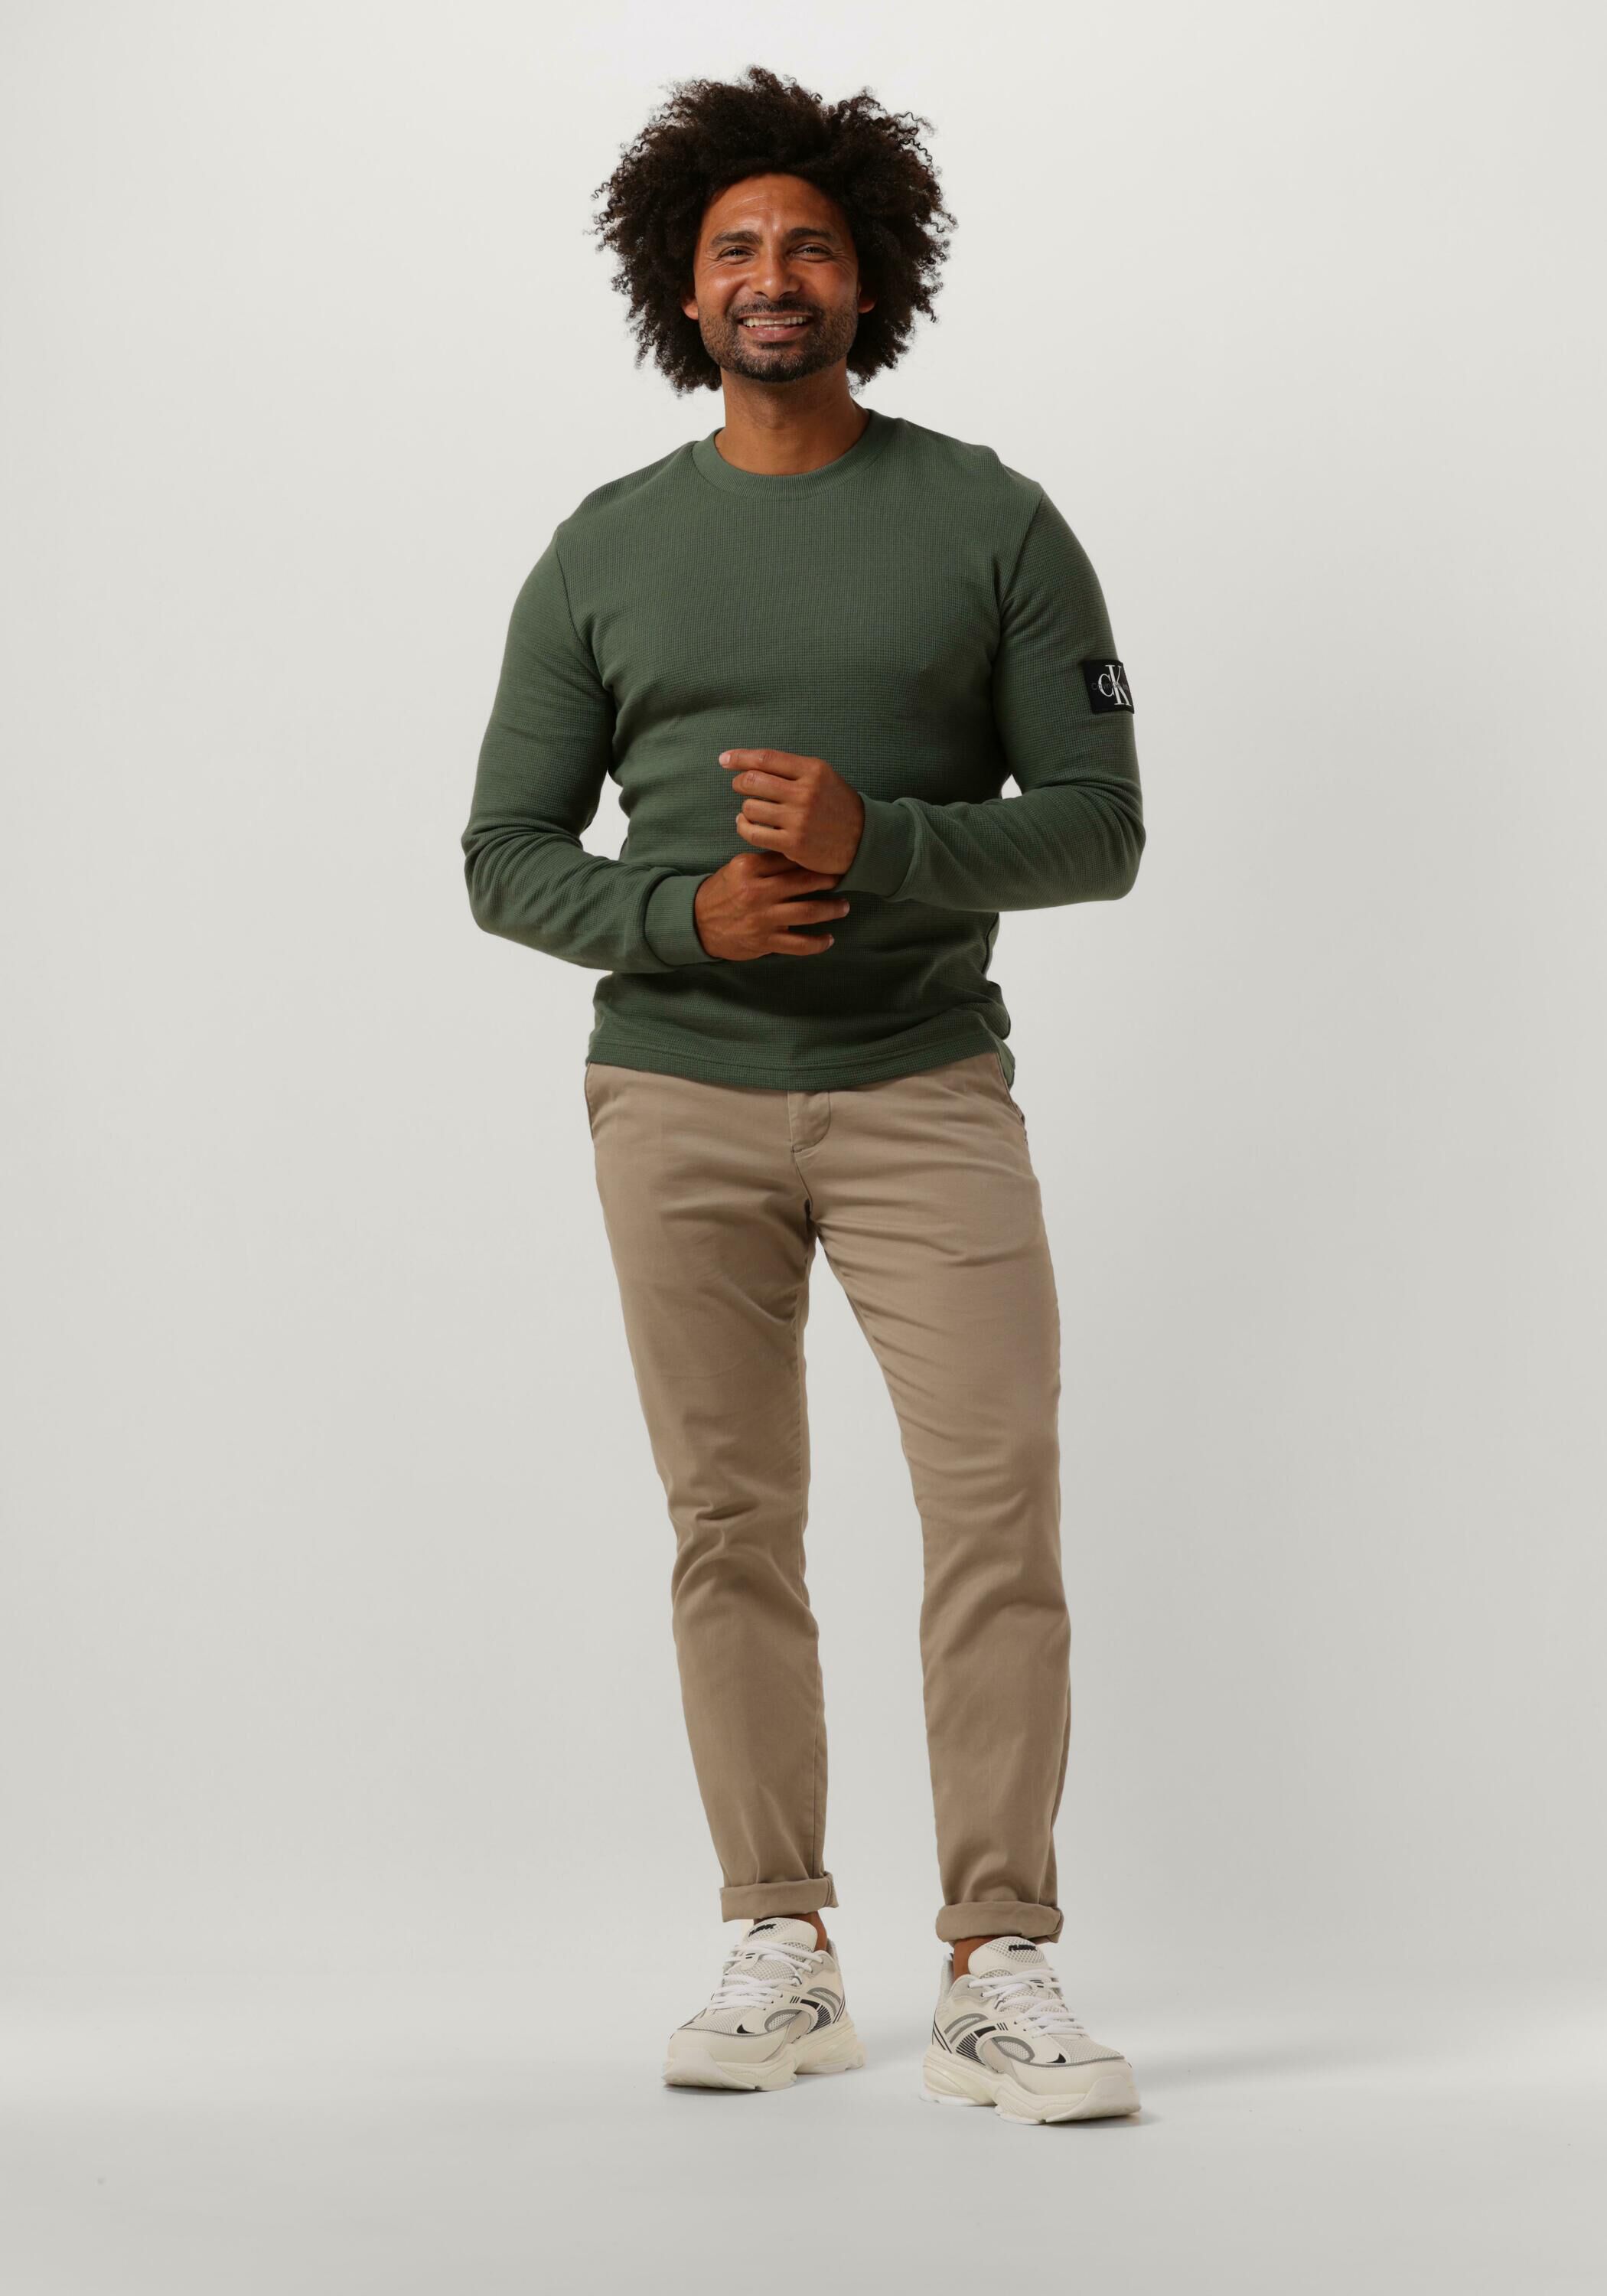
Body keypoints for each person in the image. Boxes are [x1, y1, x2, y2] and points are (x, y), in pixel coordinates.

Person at [460, 66, 1146, 2125]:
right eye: (737, 246)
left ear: (871, 278)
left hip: (924, 1086)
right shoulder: (605, 550)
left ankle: (1001, 1962)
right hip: (674, 1097)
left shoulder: (990, 521)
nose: (775, 274)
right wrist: (684, 916)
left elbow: (1102, 827)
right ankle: (779, 1941)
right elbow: (503, 856)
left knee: (994, 1501)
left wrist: (882, 846)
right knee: (731, 1520)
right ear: (683, 290)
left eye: (813, 244)